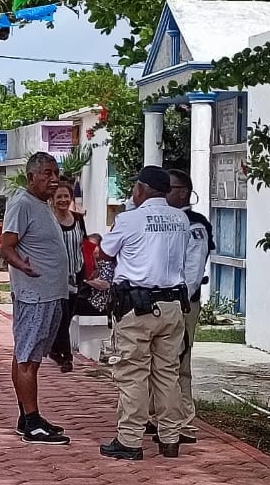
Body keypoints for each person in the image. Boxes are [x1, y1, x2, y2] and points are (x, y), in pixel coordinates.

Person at [98, 165, 191, 460]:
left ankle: (130, 441)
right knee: (167, 374)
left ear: (140, 189)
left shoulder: (130, 219)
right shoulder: (181, 219)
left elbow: (106, 253)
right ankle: (170, 439)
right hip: (173, 306)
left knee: (133, 374)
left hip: (137, 309)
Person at [0, 153, 71, 445]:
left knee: (30, 355)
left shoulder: (42, 204)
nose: (53, 179)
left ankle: (27, 416)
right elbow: (6, 247)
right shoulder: (22, 203)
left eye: (55, 173)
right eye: (46, 174)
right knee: (28, 357)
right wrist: (23, 266)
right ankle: (31, 423)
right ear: (31, 177)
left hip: (50, 294)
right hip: (35, 296)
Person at [145, 169, 215, 443]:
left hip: (181, 304)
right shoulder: (165, 219)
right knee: (156, 363)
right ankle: (157, 416)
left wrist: (176, 300)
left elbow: (193, 273)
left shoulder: (194, 224)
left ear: (184, 192)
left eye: (169, 188)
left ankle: (183, 423)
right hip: (157, 303)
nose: (162, 193)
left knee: (177, 364)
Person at [48, 182, 88, 374]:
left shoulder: (79, 219)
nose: (63, 200)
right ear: (52, 200)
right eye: (59, 197)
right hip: (56, 276)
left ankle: (54, 349)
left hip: (76, 273)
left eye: (66, 196)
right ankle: (66, 356)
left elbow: (84, 244)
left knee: (68, 314)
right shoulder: (48, 220)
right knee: (62, 315)